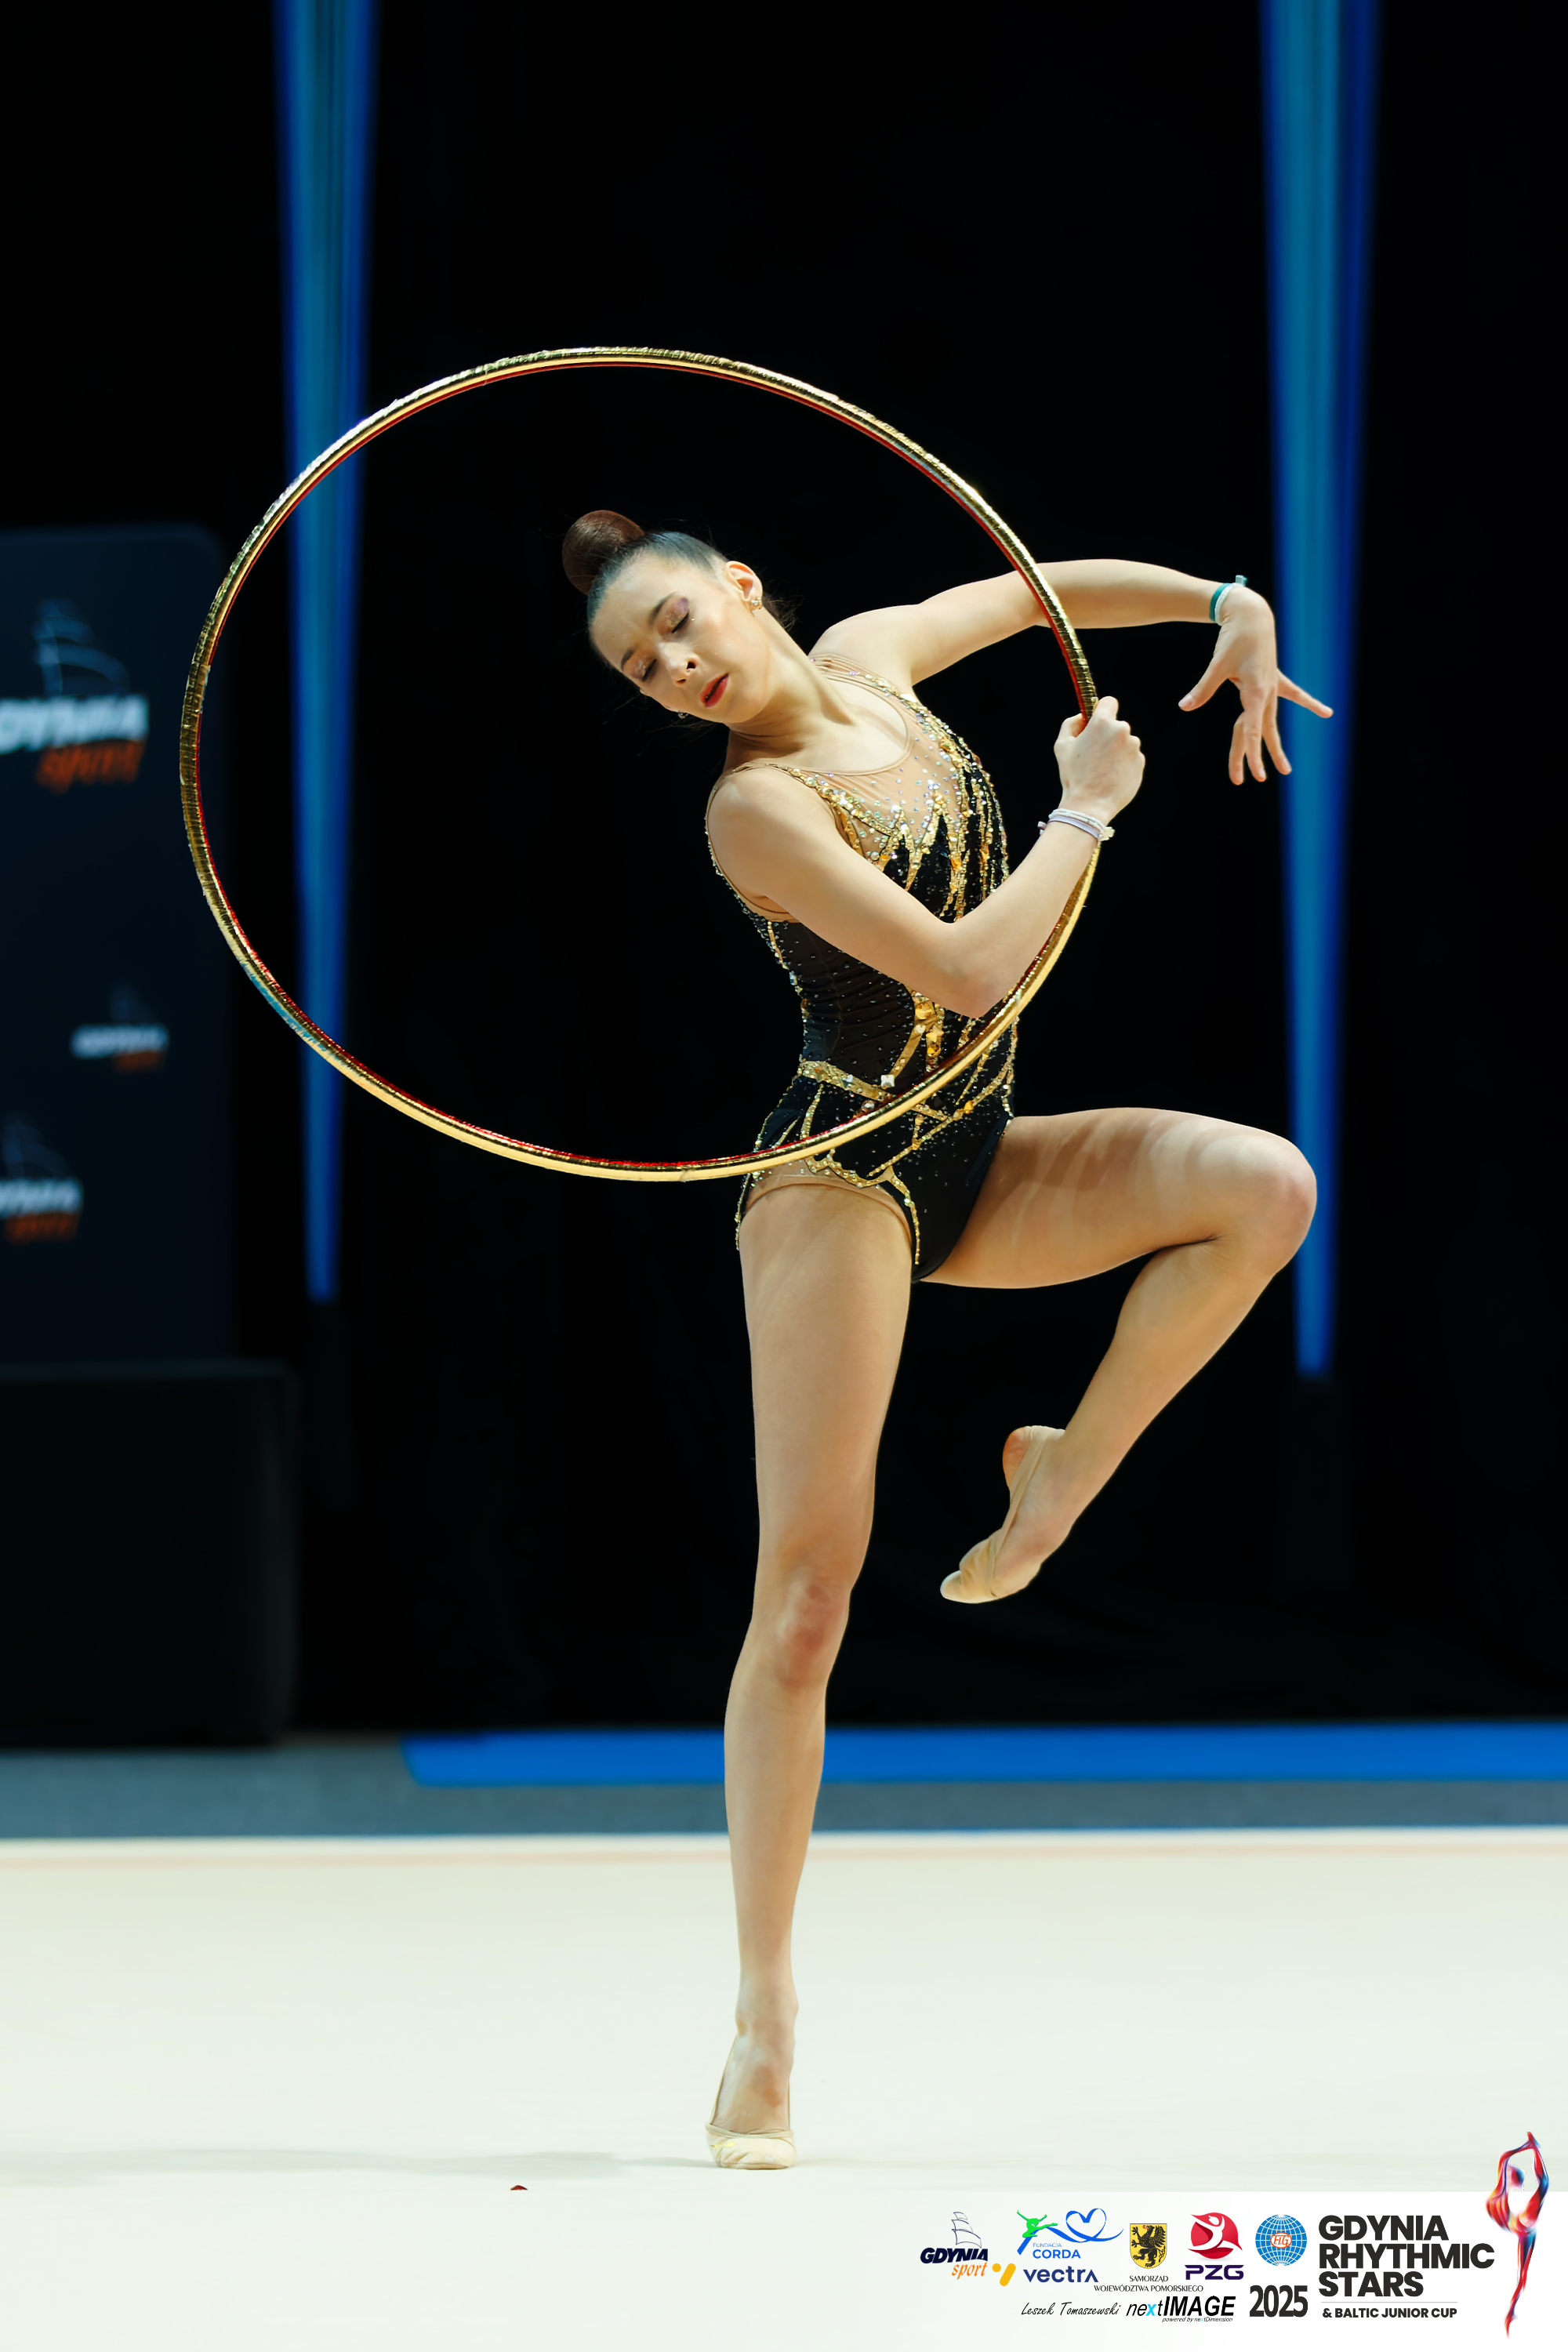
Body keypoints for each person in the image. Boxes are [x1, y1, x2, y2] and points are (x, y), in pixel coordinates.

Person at [564, 510, 1330, 2168]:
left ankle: (1060, 1474)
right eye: (643, 668)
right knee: (805, 1603)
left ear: (743, 587)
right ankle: (763, 2020)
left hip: (975, 1148)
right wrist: (1084, 810)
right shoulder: (754, 811)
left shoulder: (874, 661)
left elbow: (1039, 592)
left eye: (680, 623)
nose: (676, 668)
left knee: (1266, 1188)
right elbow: (972, 973)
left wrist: (1227, 600)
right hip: (839, 1173)